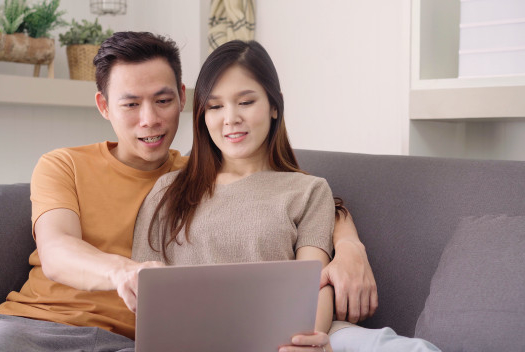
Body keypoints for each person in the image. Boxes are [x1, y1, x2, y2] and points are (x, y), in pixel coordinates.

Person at [0, 32, 377, 352]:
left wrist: (350, 245)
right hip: (34, 327)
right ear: (104, 105)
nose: (150, 120)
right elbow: (56, 253)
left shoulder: (196, 177)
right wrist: (122, 270)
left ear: (183, 99)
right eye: (130, 105)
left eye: (163, 100)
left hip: (128, 341)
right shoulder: (64, 164)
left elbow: (289, 195)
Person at [132, 40, 440, 352]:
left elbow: (314, 286)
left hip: (299, 340)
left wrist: (305, 342)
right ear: (202, 115)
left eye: (246, 102)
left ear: (274, 105)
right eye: (215, 106)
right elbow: (143, 293)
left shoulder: (308, 190)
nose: (230, 118)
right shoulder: (168, 191)